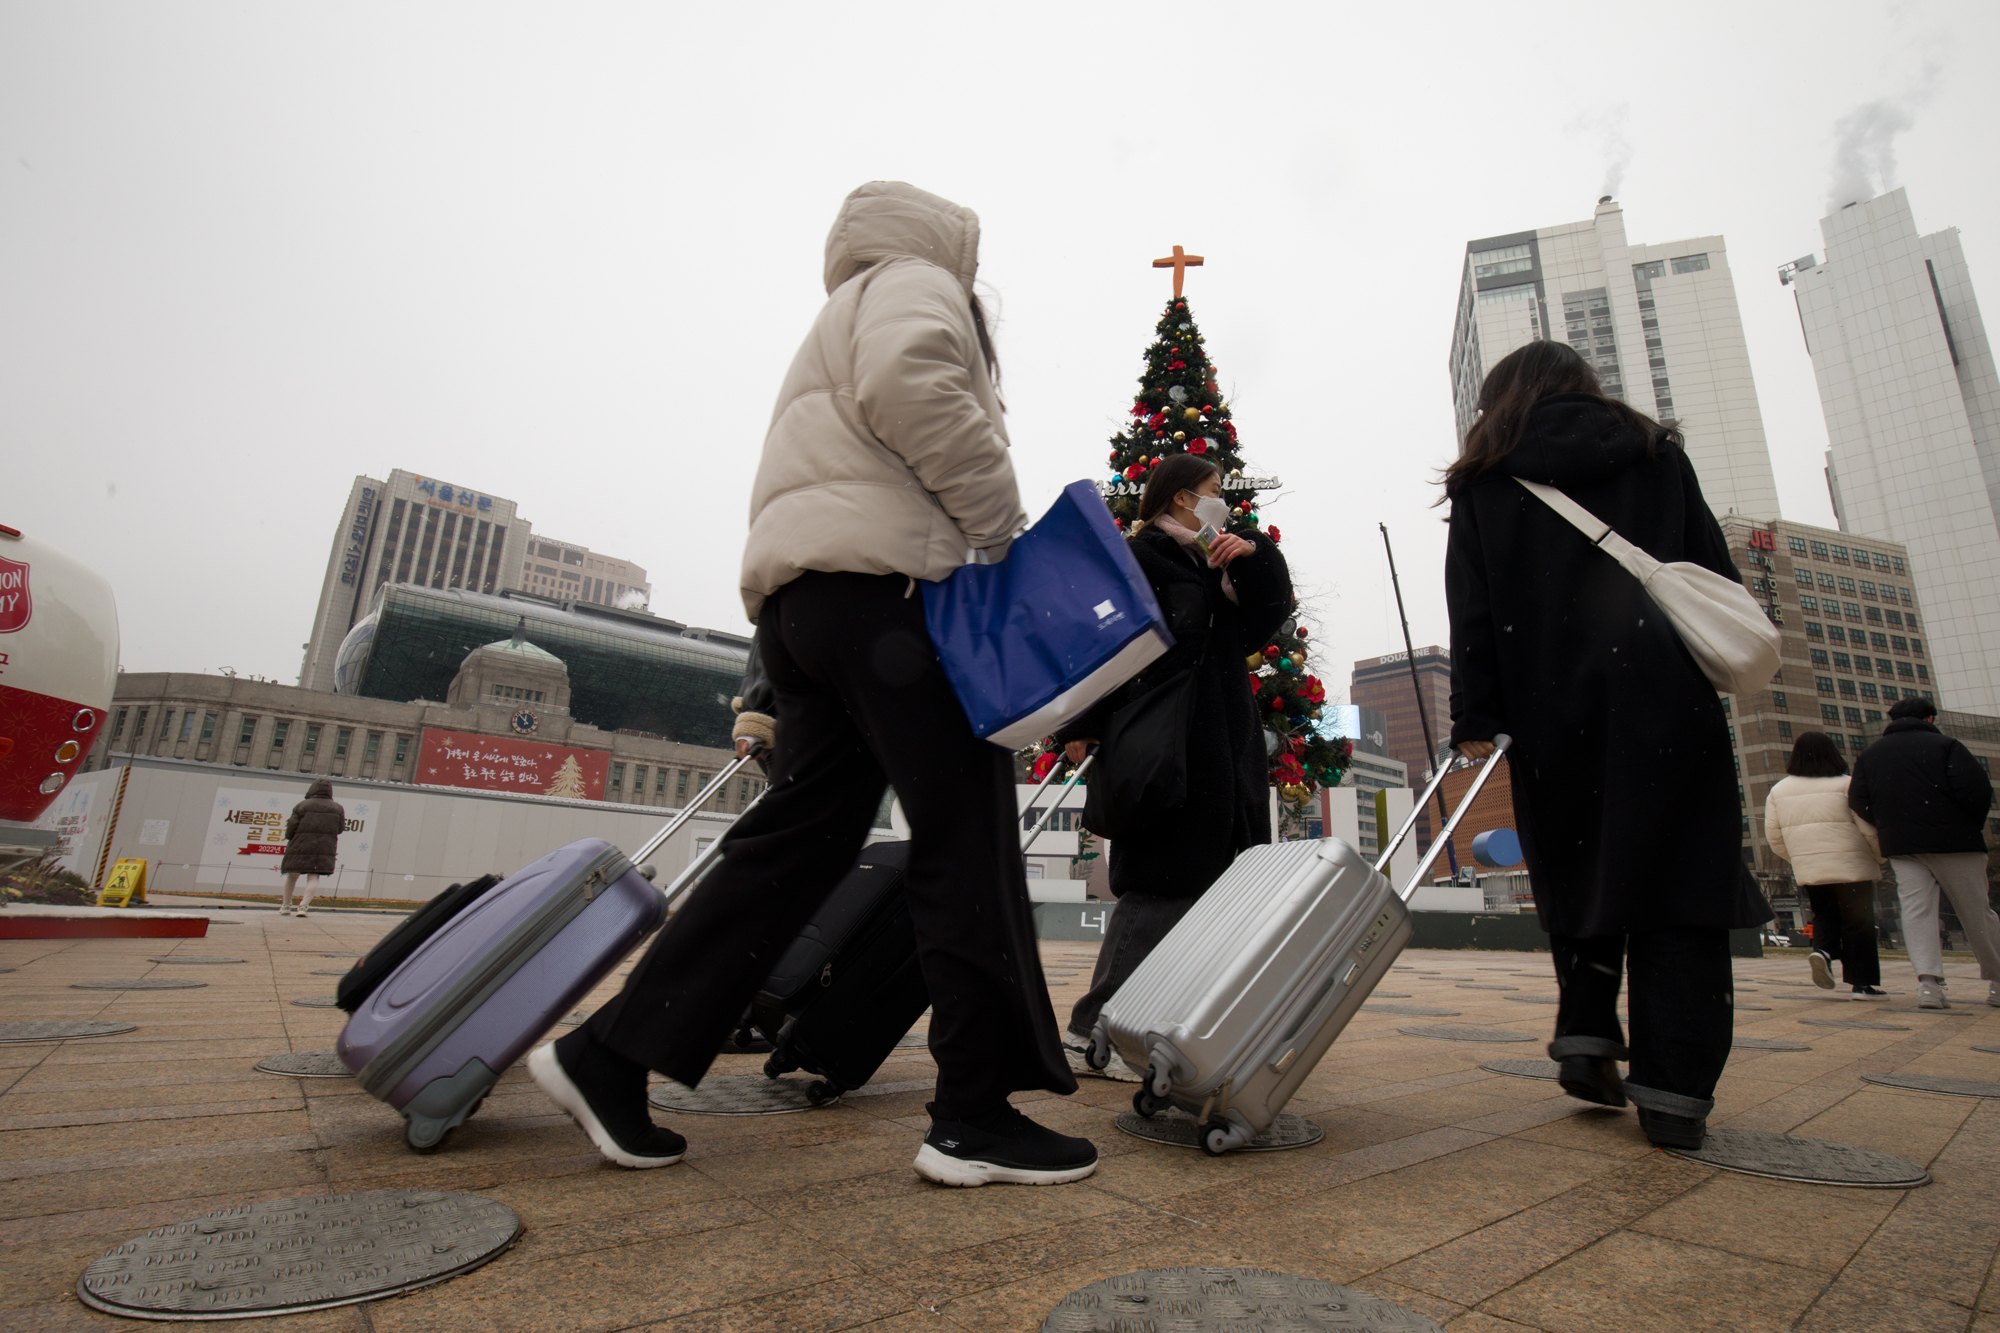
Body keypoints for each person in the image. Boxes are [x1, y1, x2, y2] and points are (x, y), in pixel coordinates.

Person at [529, 181, 1095, 1186]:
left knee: (796, 841)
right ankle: (973, 1112)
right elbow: (911, 384)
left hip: (804, 610)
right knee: (964, 834)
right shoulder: (916, 283)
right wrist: (1000, 528)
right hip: (890, 602)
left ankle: (610, 1054)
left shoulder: (845, 302)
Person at [1442, 339, 1771, 1151]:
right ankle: (1674, 1092)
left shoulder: (1487, 479)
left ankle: (1587, 1027)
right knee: (1678, 886)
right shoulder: (1658, 455)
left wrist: (1476, 717)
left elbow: (1473, 612)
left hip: (1552, 708)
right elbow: (1712, 571)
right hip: (1665, 698)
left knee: (1578, 859)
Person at [1050, 454, 1292, 1081]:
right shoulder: (1142, 556)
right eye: (1215, 493)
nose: (1224, 504)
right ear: (1184, 497)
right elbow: (1101, 638)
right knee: (1160, 882)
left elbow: (1262, 621)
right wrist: (1082, 722)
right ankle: (1092, 1025)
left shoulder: (1214, 558)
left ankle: (1157, 1022)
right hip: (1161, 736)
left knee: (1214, 885)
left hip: (1219, 740)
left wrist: (1253, 558)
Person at [1848, 696, 2000, 1010]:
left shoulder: (1870, 755)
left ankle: (1929, 985)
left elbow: (1858, 799)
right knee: (1976, 911)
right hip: (1955, 842)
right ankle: (1997, 981)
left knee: (1916, 911)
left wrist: (1889, 825)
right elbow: (1978, 791)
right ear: (1929, 719)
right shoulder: (1947, 746)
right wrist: (1964, 823)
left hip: (1903, 845)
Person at [1763, 732, 1886, 997]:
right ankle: (1861, 983)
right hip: (1852, 865)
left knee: (1824, 915)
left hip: (1811, 868)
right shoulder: (1847, 785)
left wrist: (1799, 858)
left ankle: (1823, 950)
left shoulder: (1779, 790)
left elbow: (1774, 837)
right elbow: (1867, 828)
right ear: (1833, 754)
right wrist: (1880, 856)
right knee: (1858, 923)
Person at [280, 779, 345, 917]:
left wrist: (290, 837)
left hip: (300, 844)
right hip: (323, 846)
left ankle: (286, 905)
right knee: (313, 876)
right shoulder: (337, 808)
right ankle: (303, 907)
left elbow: (291, 826)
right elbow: (339, 829)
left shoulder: (302, 805)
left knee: (292, 875)